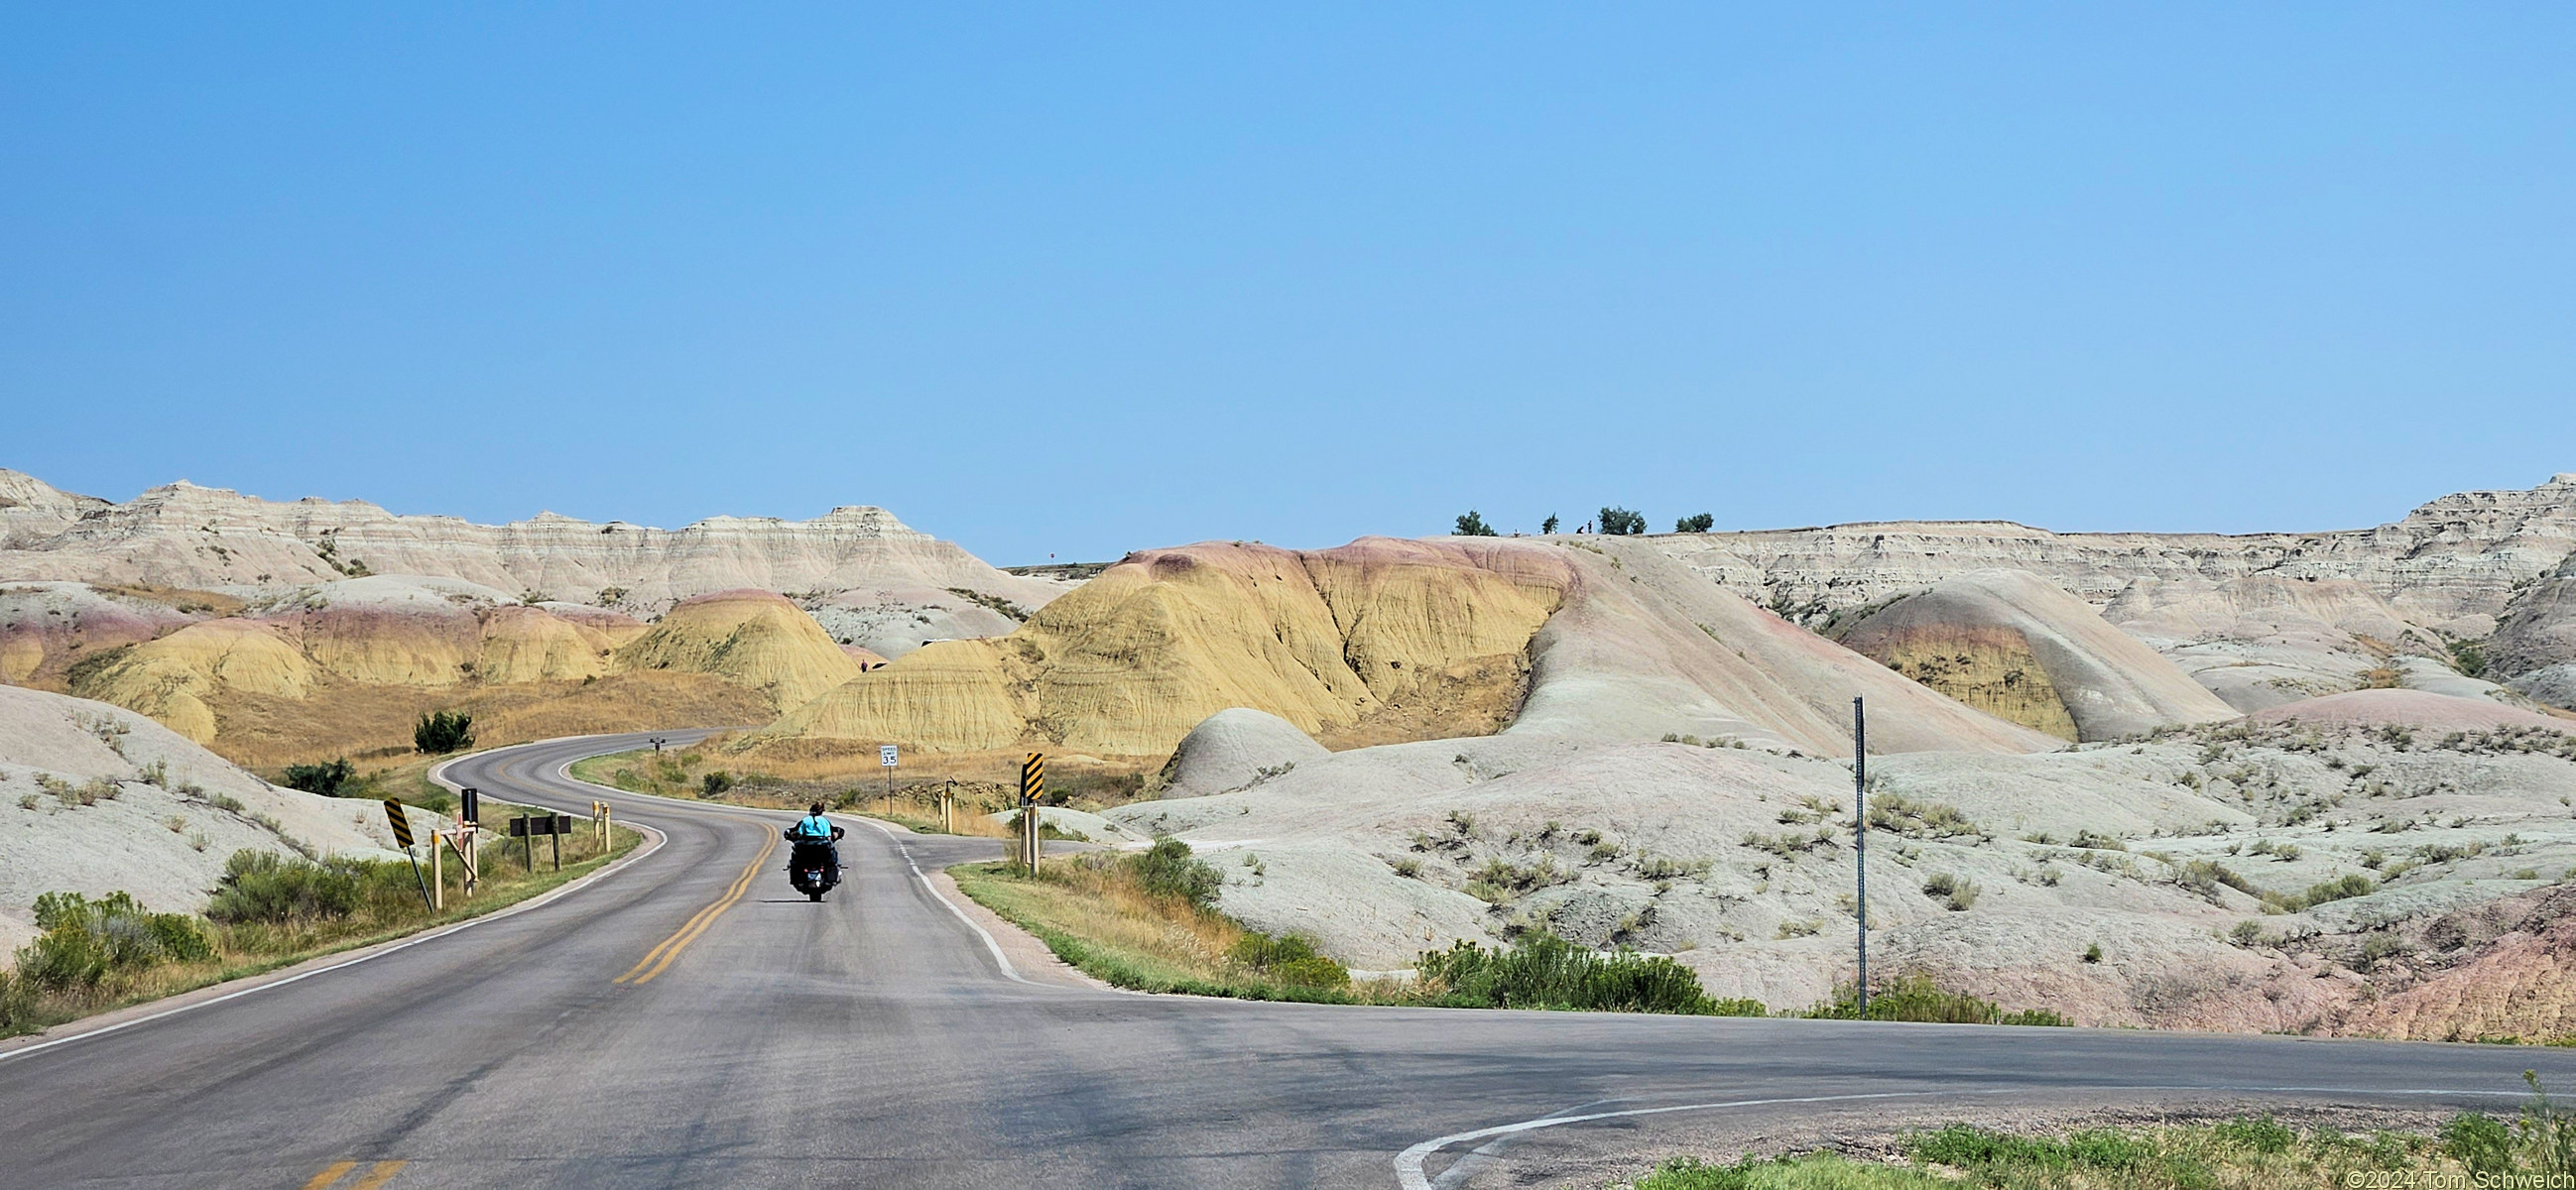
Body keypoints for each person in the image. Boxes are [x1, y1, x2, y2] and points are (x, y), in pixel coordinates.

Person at [787, 802, 844, 884]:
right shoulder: (824, 821)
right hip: (822, 847)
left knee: (795, 854)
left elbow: (800, 833)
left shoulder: (805, 820)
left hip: (806, 847)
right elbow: (828, 836)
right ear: (821, 811)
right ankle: (836, 867)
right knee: (833, 853)